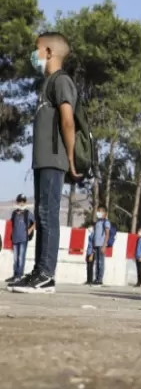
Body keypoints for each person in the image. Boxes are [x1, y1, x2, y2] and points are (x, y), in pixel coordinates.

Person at [9, 33, 78, 295]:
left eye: (36, 49)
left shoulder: (61, 81)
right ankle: (38, 272)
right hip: (42, 161)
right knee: (42, 215)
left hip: (54, 159)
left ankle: (47, 275)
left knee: (48, 215)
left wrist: (69, 157)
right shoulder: (47, 83)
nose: (33, 54)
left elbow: (68, 120)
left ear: (49, 52)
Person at [7, 194, 35, 283]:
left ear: (25, 202)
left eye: (23, 201)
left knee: (21, 257)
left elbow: (35, 222)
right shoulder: (14, 213)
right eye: (20, 201)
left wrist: (30, 229)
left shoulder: (28, 213)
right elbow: (13, 224)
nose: (21, 203)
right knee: (15, 258)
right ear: (17, 202)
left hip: (23, 238)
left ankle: (19, 275)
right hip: (15, 238)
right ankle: (15, 275)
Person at [91, 205, 111, 286]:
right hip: (96, 245)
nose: (98, 213)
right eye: (97, 211)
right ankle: (96, 278)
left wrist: (104, 245)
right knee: (97, 263)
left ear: (104, 213)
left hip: (101, 245)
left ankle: (100, 279)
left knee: (101, 262)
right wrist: (93, 245)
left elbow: (107, 234)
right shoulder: (98, 222)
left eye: (99, 211)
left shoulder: (105, 222)